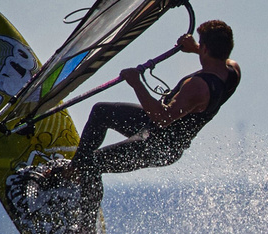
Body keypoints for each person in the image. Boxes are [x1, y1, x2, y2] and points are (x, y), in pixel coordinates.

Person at [47, 18, 241, 182]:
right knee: (101, 111)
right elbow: (216, 57)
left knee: (92, 164)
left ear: (206, 48)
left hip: (157, 147)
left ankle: (84, 224)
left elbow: (162, 118)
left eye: (201, 45)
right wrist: (195, 48)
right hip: (153, 130)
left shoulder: (198, 86)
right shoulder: (232, 71)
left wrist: (136, 84)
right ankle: (73, 171)